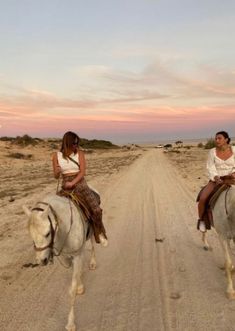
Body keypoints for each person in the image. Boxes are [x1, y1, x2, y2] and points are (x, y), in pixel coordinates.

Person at [52, 131, 108, 246]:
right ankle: (54, 240)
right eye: (74, 143)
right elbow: (56, 176)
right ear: (67, 143)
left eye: (77, 143)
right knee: (54, 211)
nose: (76, 146)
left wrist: (73, 182)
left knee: (96, 209)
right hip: (65, 183)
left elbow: (82, 172)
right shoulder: (56, 156)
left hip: (79, 182)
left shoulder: (80, 154)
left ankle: (99, 232)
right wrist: (57, 172)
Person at [197, 131, 235, 232]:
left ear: (226, 140)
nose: (217, 140)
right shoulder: (212, 152)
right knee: (203, 198)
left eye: (219, 138)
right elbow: (210, 167)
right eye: (216, 138)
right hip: (216, 180)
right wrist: (216, 177)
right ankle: (202, 221)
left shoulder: (234, 150)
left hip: (232, 179)